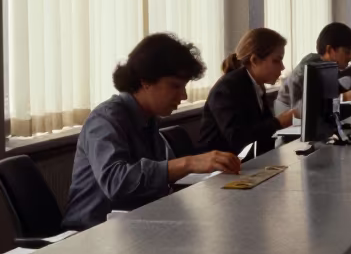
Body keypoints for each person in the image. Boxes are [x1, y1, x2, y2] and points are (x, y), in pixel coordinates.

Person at [63, 33, 243, 231]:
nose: (183, 96)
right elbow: (116, 183)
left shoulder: (148, 118)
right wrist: (189, 163)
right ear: (145, 81)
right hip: (92, 234)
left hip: (133, 227)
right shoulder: (106, 119)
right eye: (175, 86)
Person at [199, 28, 296, 158]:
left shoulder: (255, 85)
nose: (282, 67)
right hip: (219, 170)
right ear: (254, 60)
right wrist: (279, 122)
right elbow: (238, 140)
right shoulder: (226, 89)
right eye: (276, 60)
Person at [275, 22, 351, 115]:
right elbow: (302, 110)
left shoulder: (329, 69)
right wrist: (346, 97)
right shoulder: (307, 70)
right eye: (347, 51)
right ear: (329, 50)